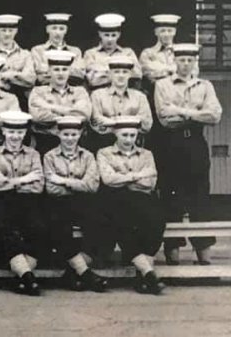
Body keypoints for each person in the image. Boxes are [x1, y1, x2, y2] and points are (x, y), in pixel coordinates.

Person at [154, 43, 222, 266]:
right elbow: (165, 118)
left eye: (189, 60)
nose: (185, 64)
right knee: (170, 197)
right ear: (174, 60)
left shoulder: (205, 85)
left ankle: (204, 255)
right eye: (181, 59)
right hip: (170, 145)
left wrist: (182, 111)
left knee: (200, 197)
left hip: (195, 144)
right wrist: (197, 113)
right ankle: (173, 255)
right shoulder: (162, 85)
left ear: (195, 62)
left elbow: (214, 116)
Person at [95, 116, 165, 295]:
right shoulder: (104, 153)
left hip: (142, 199)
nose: (128, 140)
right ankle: (148, 274)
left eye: (132, 135)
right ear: (116, 134)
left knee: (157, 222)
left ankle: (143, 276)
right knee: (124, 225)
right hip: (116, 200)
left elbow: (150, 182)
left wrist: (123, 177)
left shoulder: (146, 154)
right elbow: (108, 180)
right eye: (124, 135)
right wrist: (137, 175)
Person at [42, 116, 107, 292]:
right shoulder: (49, 156)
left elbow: (92, 186)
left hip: (83, 202)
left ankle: (72, 274)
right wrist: (78, 183)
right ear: (58, 134)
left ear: (80, 134)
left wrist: (63, 181)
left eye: (73, 134)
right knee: (58, 227)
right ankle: (85, 273)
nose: (70, 139)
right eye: (66, 134)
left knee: (99, 224)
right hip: (58, 202)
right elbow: (51, 188)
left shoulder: (88, 156)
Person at [0, 111, 46, 296]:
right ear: (3, 131)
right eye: (11, 132)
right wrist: (24, 179)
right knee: (4, 228)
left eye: (19, 133)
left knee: (39, 229)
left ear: (25, 133)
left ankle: (21, 276)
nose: (15, 136)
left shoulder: (33, 154)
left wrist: (8, 182)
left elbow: (38, 186)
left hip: (28, 201)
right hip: (1, 202)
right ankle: (27, 276)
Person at [28, 50, 91, 155]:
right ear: (49, 71)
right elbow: (37, 117)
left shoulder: (80, 91)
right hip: (45, 142)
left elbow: (84, 115)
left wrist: (50, 107)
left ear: (69, 71)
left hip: (75, 143)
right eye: (56, 69)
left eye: (64, 69)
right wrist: (70, 113)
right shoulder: (38, 91)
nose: (61, 73)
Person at [87, 56, 153, 152]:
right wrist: (133, 121)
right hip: (104, 144)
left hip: (132, 145)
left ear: (130, 74)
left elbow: (146, 124)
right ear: (110, 74)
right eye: (116, 72)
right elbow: (96, 121)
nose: (121, 75)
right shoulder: (97, 95)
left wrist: (112, 122)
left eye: (125, 72)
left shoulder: (140, 97)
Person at [0, 14, 35, 111]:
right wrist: (19, 76)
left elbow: (30, 79)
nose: (7, 34)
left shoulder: (26, 54)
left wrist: (7, 75)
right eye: (3, 30)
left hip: (23, 100)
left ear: (16, 31)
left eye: (11, 30)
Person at [83, 13, 141, 91]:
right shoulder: (91, 54)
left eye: (113, 35)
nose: (110, 39)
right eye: (106, 35)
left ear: (119, 35)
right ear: (100, 34)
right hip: (99, 96)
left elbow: (137, 75)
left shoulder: (128, 53)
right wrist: (121, 72)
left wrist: (102, 72)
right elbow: (93, 80)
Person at [30, 13, 85, 86]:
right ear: (47, 29)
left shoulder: (75, 51)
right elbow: (39, 78)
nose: (57, 32)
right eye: (54, 28)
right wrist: (68, 71)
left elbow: (79, 75)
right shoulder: (37, 50)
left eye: (61, 29)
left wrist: (48, 70)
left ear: (66, 30)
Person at [139, 14, 180, 94]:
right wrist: (173, 69)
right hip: (154, 93)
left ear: (175, 32)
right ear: (156, 32)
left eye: (169, 31)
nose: (166, 34)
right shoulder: (147, 53)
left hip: (178, 93)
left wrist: (159, 67)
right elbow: (147, 73)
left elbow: (192, 72)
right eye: (162, 31)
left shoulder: (181, 51)